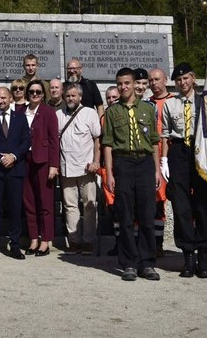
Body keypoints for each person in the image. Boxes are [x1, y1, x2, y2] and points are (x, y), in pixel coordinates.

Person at [102, 68, 163, 281]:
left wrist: (156, 170)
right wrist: (109, 174)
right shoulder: (112, 112)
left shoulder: (147, 108)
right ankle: (129, 263)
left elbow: (154, 141)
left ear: (134, 83)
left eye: (127, 83)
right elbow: (108, 144)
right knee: (126, 215)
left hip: (144, 163)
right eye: (120, 84)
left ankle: (147, 263)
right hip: (123, 163)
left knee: (147, 214)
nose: (123, 87)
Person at [163, 62, 207, 279]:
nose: (182, 82)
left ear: (193, 78)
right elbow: (165, 134)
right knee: (181, 205)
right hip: (179, 151)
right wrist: (164, 160)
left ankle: (203, 255)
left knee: (204, 204)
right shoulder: (170, 104)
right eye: (178, 80)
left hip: (201, 150)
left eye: (185, 78)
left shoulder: (205, 101)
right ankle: (188, 256)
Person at [0, 86, 30, 260]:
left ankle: (15, 245)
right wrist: (1, 157)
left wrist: (13, 156)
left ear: (10, 98)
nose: (0, 101)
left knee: (15, 209)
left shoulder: (21, 117)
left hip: (15, 170)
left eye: (3, 98)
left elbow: (26, 141)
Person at [57, 82, 101, 256]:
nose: (70, 98)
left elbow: (97, 139)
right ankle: (74, 241)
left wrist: (96, 161)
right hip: (66, 167)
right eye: (67, 96)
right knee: (70, 206)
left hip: (86, 168)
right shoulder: (58, 114)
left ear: (80, 97)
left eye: (73, 95)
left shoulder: (90, 113)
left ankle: (88, 241)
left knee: (89, 205)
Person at [22, 79, 59, 256]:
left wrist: (53, 165)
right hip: (25, 160)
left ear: (43, 94)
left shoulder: (49, 112)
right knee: (29, 201)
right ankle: (33, 239)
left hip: (43, 160)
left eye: (38, 92)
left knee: (45, 202)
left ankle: (45, 240)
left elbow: (54, 140)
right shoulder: (20, 111)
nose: (35, 94)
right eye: (32, 92)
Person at [145, 68, 171, 256]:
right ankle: (157, 243)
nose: (153, 83)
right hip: (154, 157)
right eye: (151, 80)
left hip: (172, 156)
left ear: (165, 80)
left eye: (157, 79)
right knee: (157, 201)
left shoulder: (174, 102)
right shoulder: (147, 104)